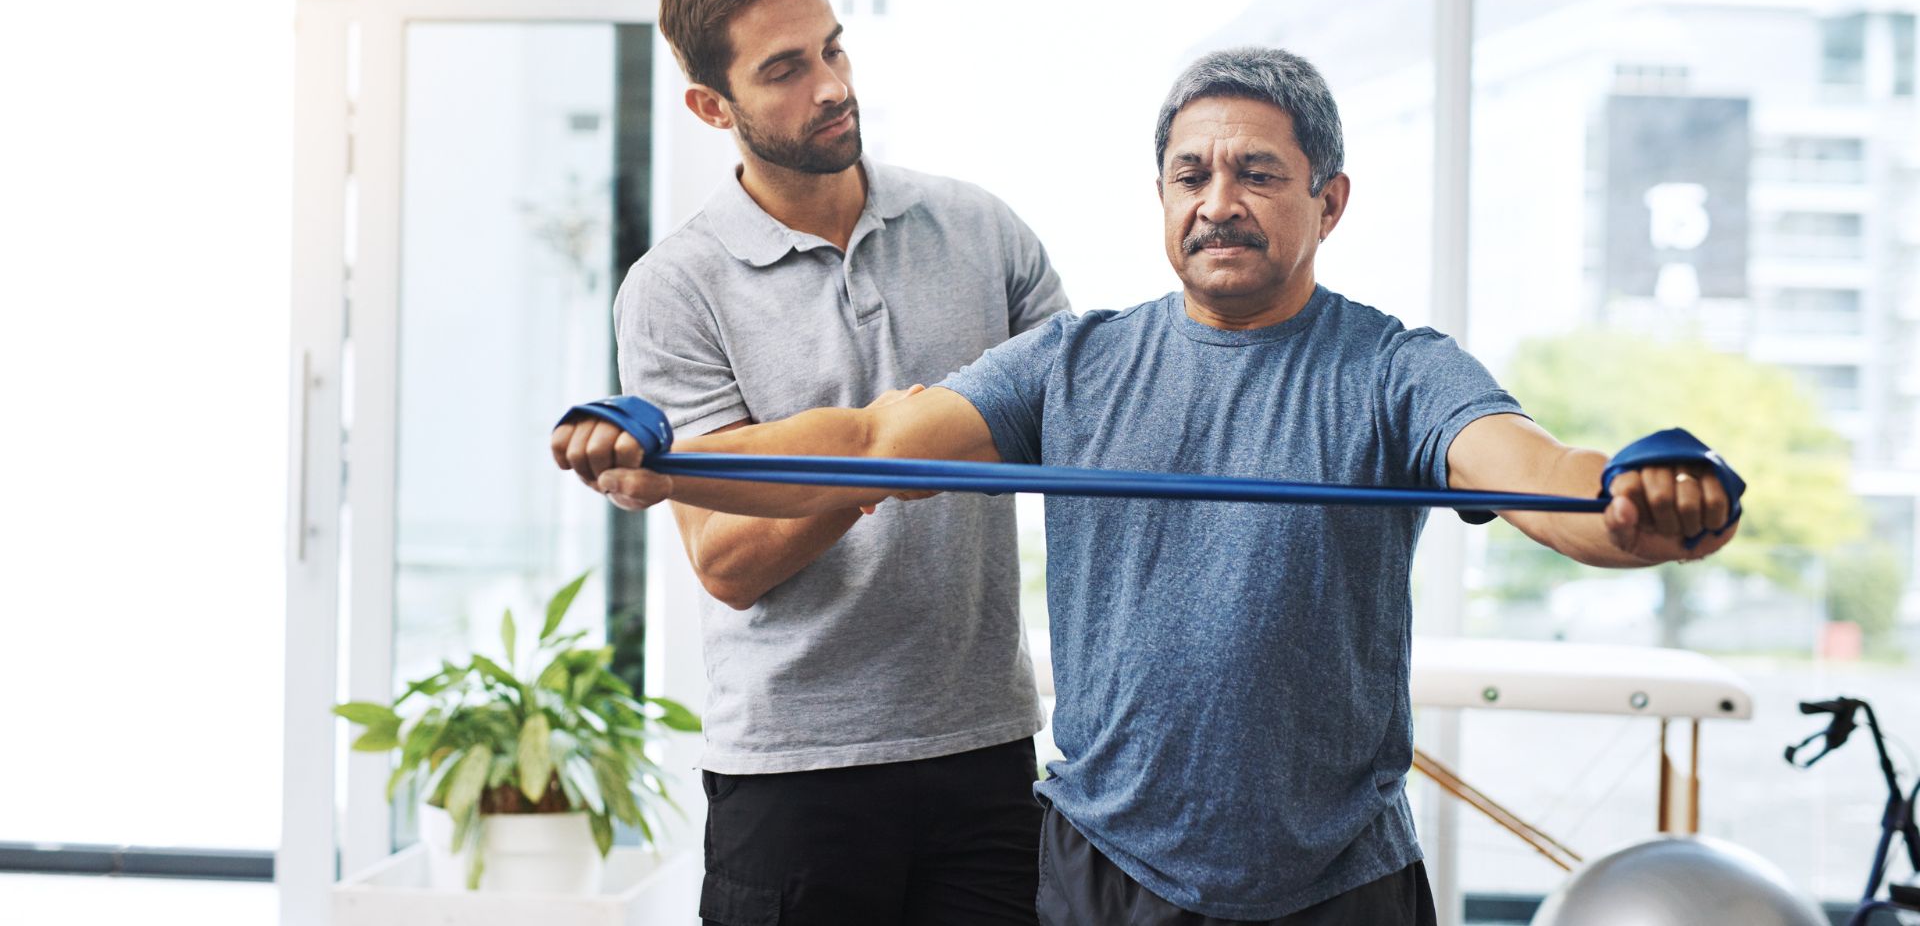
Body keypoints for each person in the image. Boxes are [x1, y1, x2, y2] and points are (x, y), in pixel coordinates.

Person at [556, 46, 1740, 925]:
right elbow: (867, 440)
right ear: (1162, 199)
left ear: (1328, 201)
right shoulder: (1072, 361)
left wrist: (1639, 495)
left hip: (1341, 881)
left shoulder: (1394, 368)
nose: (1218, 201)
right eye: (1191, 175)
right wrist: (672, 459)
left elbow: (1537, 475)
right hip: (1106, 874)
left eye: (1258, 174)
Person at [593, 0, 1070, 925]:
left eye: (833, 50)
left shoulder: (982, 232)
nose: (830, 86)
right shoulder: (675, 289)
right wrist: (875, 465)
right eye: (786, 69)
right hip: (792, 773)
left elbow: (1073, 429)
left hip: (984, 750)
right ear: (710, 107)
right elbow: (728, 561)